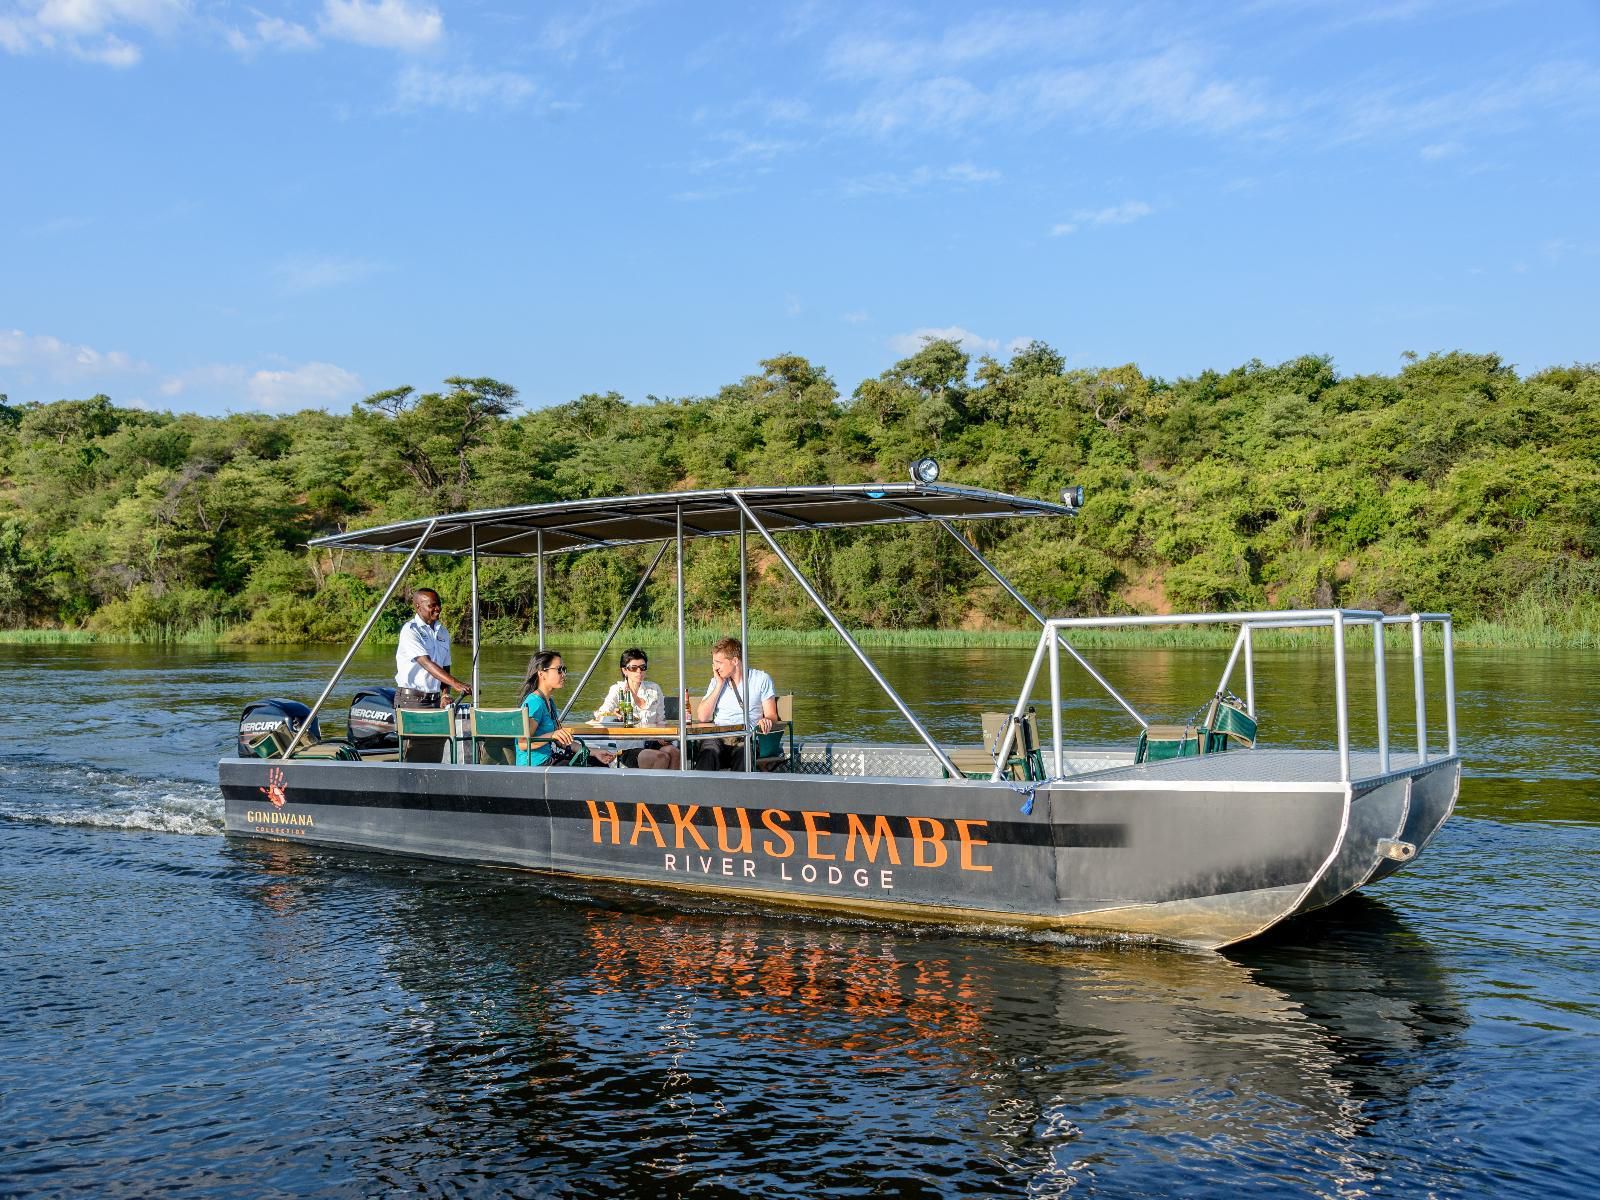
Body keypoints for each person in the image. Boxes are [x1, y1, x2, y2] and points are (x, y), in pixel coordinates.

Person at [395, 588, 472, 763]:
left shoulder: (442, 632)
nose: (437, 609)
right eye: (432, 605)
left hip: (435, 700)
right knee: (413, 755)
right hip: (412, 701)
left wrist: (445, 693)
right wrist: (456, 684)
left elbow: (445, 666)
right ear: (417, 606)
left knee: (435, 752)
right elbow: (426, 663)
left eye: (439, 605)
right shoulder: (410, 630)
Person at [692, 636, 778, 771]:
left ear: (735, 661)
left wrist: (766, 720)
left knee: (743, 754)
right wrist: (719, 685)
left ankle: (740, 791)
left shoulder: (761, 679)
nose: (715, 667)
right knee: (708, 751)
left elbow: (772, 715)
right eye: (714, 663)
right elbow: (703, 717)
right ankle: (699, 790)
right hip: (718, 737)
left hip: (745, 738)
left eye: (719, 662)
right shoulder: (716, 681)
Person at [516, 650, 612, 768]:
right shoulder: (535, 703)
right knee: (594, 769)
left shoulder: (549, 702)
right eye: (559, 670)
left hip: (549, 760)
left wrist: (594, 752)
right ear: (542, 674)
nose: (563, 674)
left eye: (564, 669)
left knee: (597, 763)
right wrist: (552, 735)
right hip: (535, 765)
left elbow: (561, 741)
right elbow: (523, 743)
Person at [593, 648, 679, 770]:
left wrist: (663, 736)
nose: (639, 671)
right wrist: (613, 714)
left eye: (643, 667)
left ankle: (673, 788)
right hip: (629, 747)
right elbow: (601, 714)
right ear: (625, 670)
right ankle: (654, 788)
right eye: (633, 668)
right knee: (660, 757)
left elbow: (661, 720)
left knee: (674, 752)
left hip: (652, 741)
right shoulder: (617, 690)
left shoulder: (654, 689)